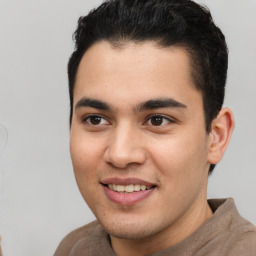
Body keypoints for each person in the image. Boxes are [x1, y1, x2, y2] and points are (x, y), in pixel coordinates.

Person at [54, 0, 256, 255]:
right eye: (96, 119)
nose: (120, 154)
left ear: (216, 137)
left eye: (157, 120)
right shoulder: (75, 248)